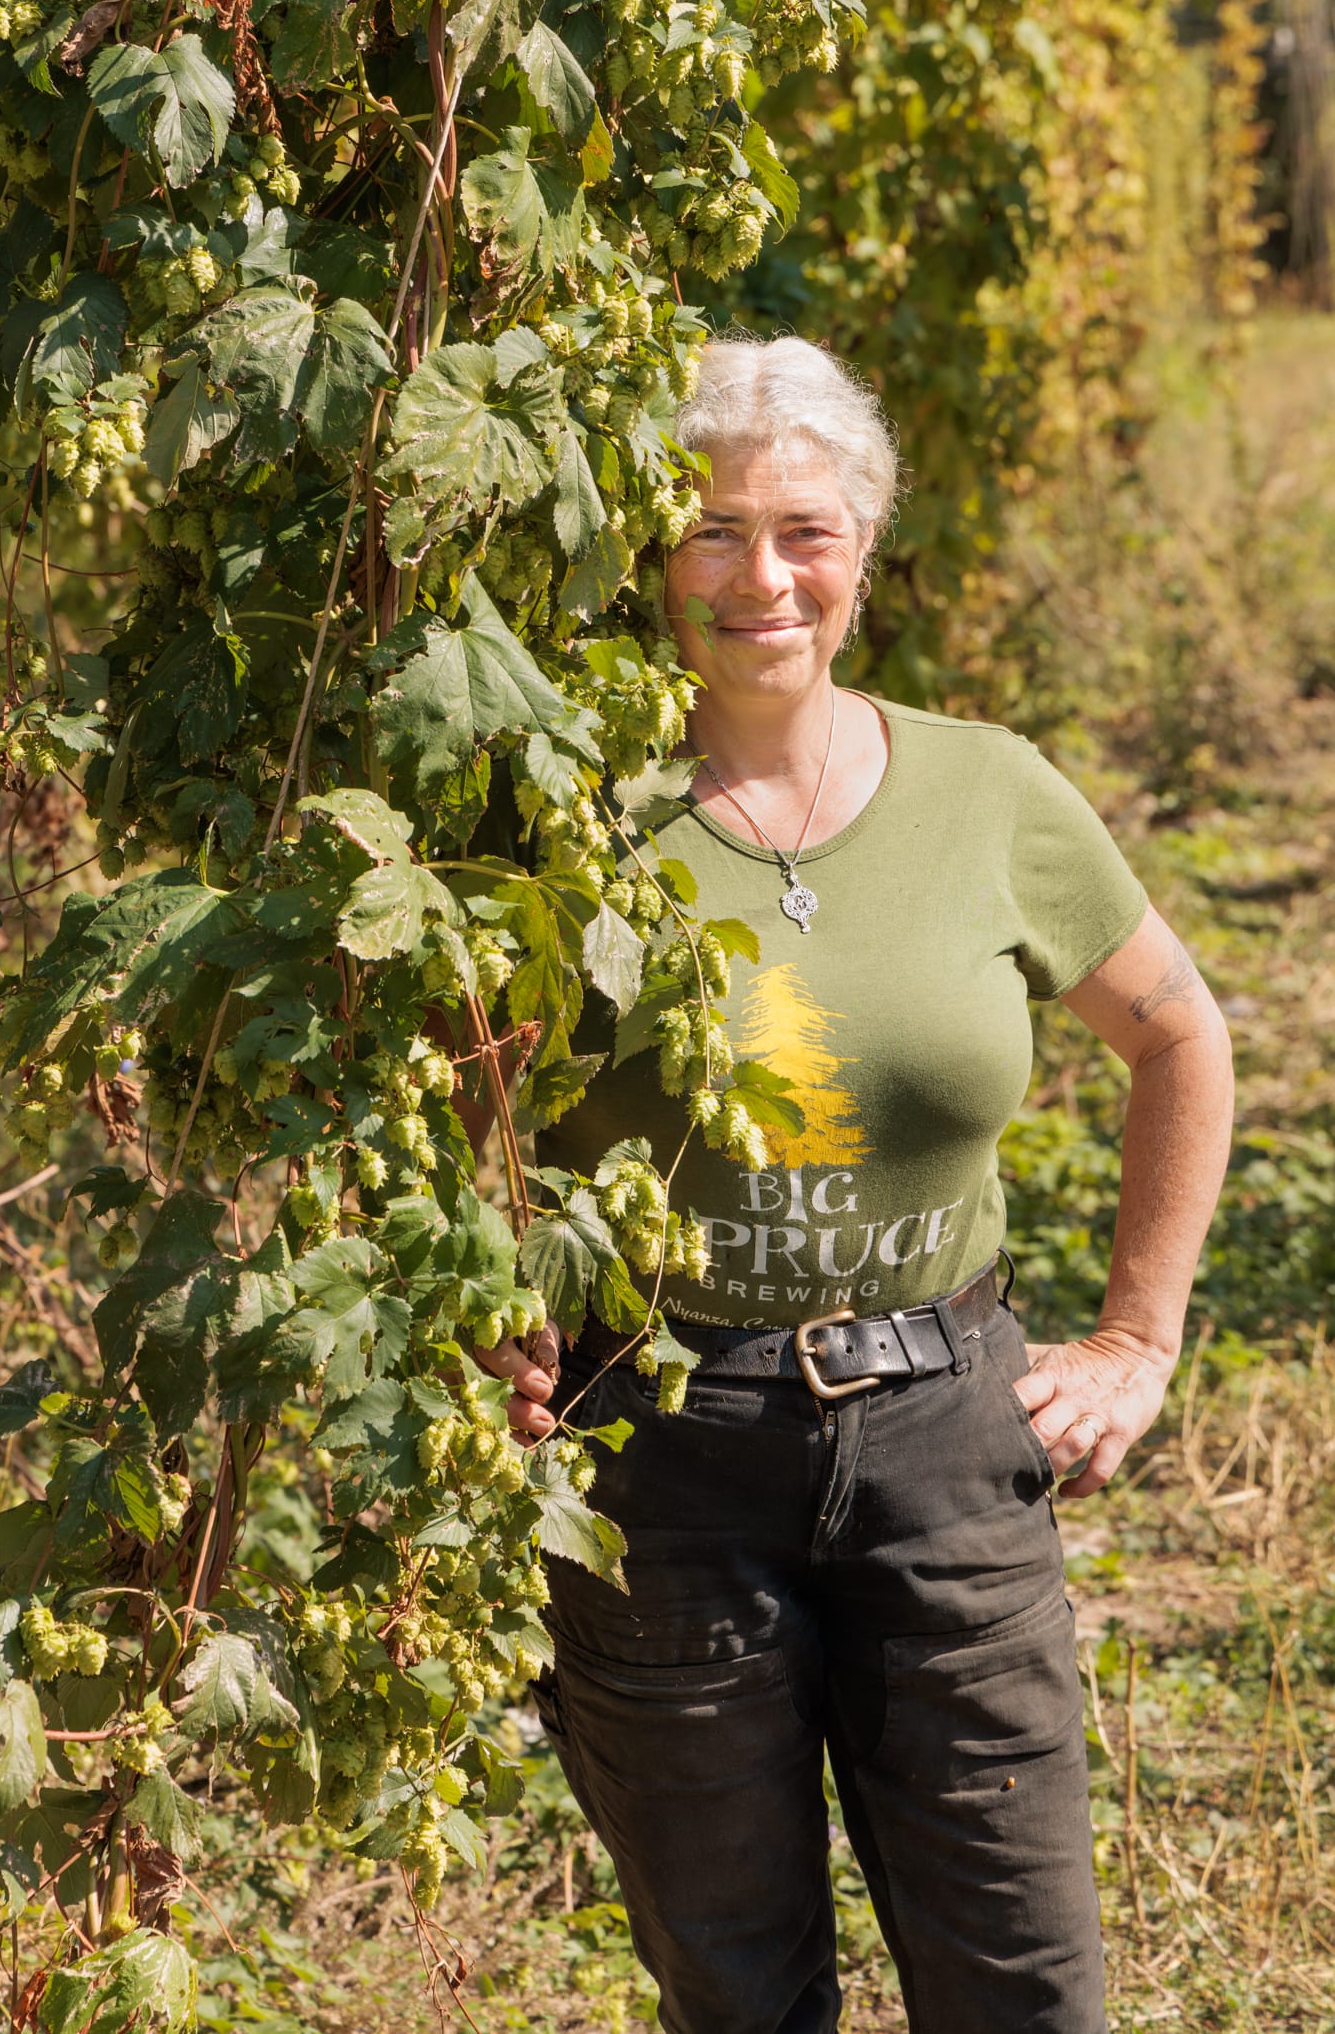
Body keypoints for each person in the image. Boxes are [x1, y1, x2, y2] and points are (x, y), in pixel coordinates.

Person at [472, 337, 1235, 2034]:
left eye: (805, 530)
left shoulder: (990, 792)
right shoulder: (562, 814)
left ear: (866, 549)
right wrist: (485, 1319)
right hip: (657, 1462)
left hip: (949, 1450)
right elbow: (460, 1110)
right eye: (712, 530)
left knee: (1024, 1987)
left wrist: (1139, 1337)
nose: (762, 577)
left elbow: (1181, 1034)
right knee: (737, 1995)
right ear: (648, 556)